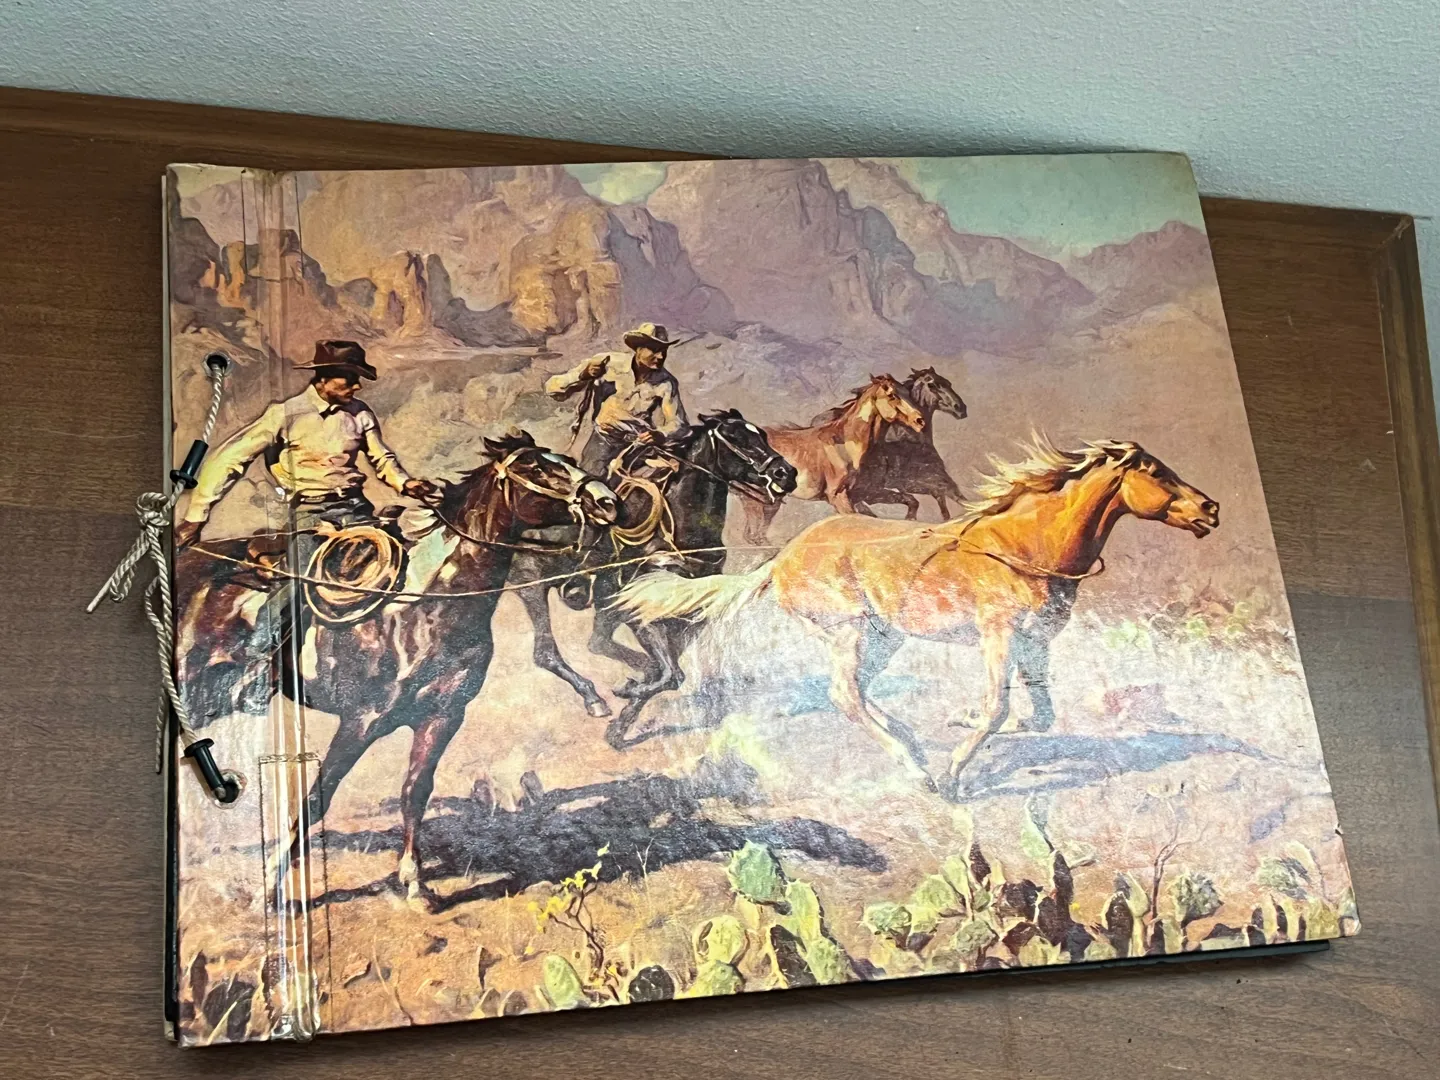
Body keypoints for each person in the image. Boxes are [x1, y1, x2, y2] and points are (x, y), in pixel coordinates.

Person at [174, 340, 436, 652]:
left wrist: (406, 483)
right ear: (323, 378)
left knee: (399, 563)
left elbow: (382, 458)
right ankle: (259, 645)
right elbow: (231, 460)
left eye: (357, 379)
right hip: (312, 513)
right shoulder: (285, 414)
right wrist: (197, 515)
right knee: (299, 580)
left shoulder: (360, 414)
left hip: (356, 509)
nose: (356, 386)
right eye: (349, 378)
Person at [545, 322, 689, 477]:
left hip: (637, 447)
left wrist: (661, 434)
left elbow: (679, 424)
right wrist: (583, 375)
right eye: (654, 350)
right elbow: (552, 388)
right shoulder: (608, 363)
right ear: (639, 348)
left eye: (664, 351)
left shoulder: (666, 383)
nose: (660, 356)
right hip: (602, 441)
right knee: (591, 483)